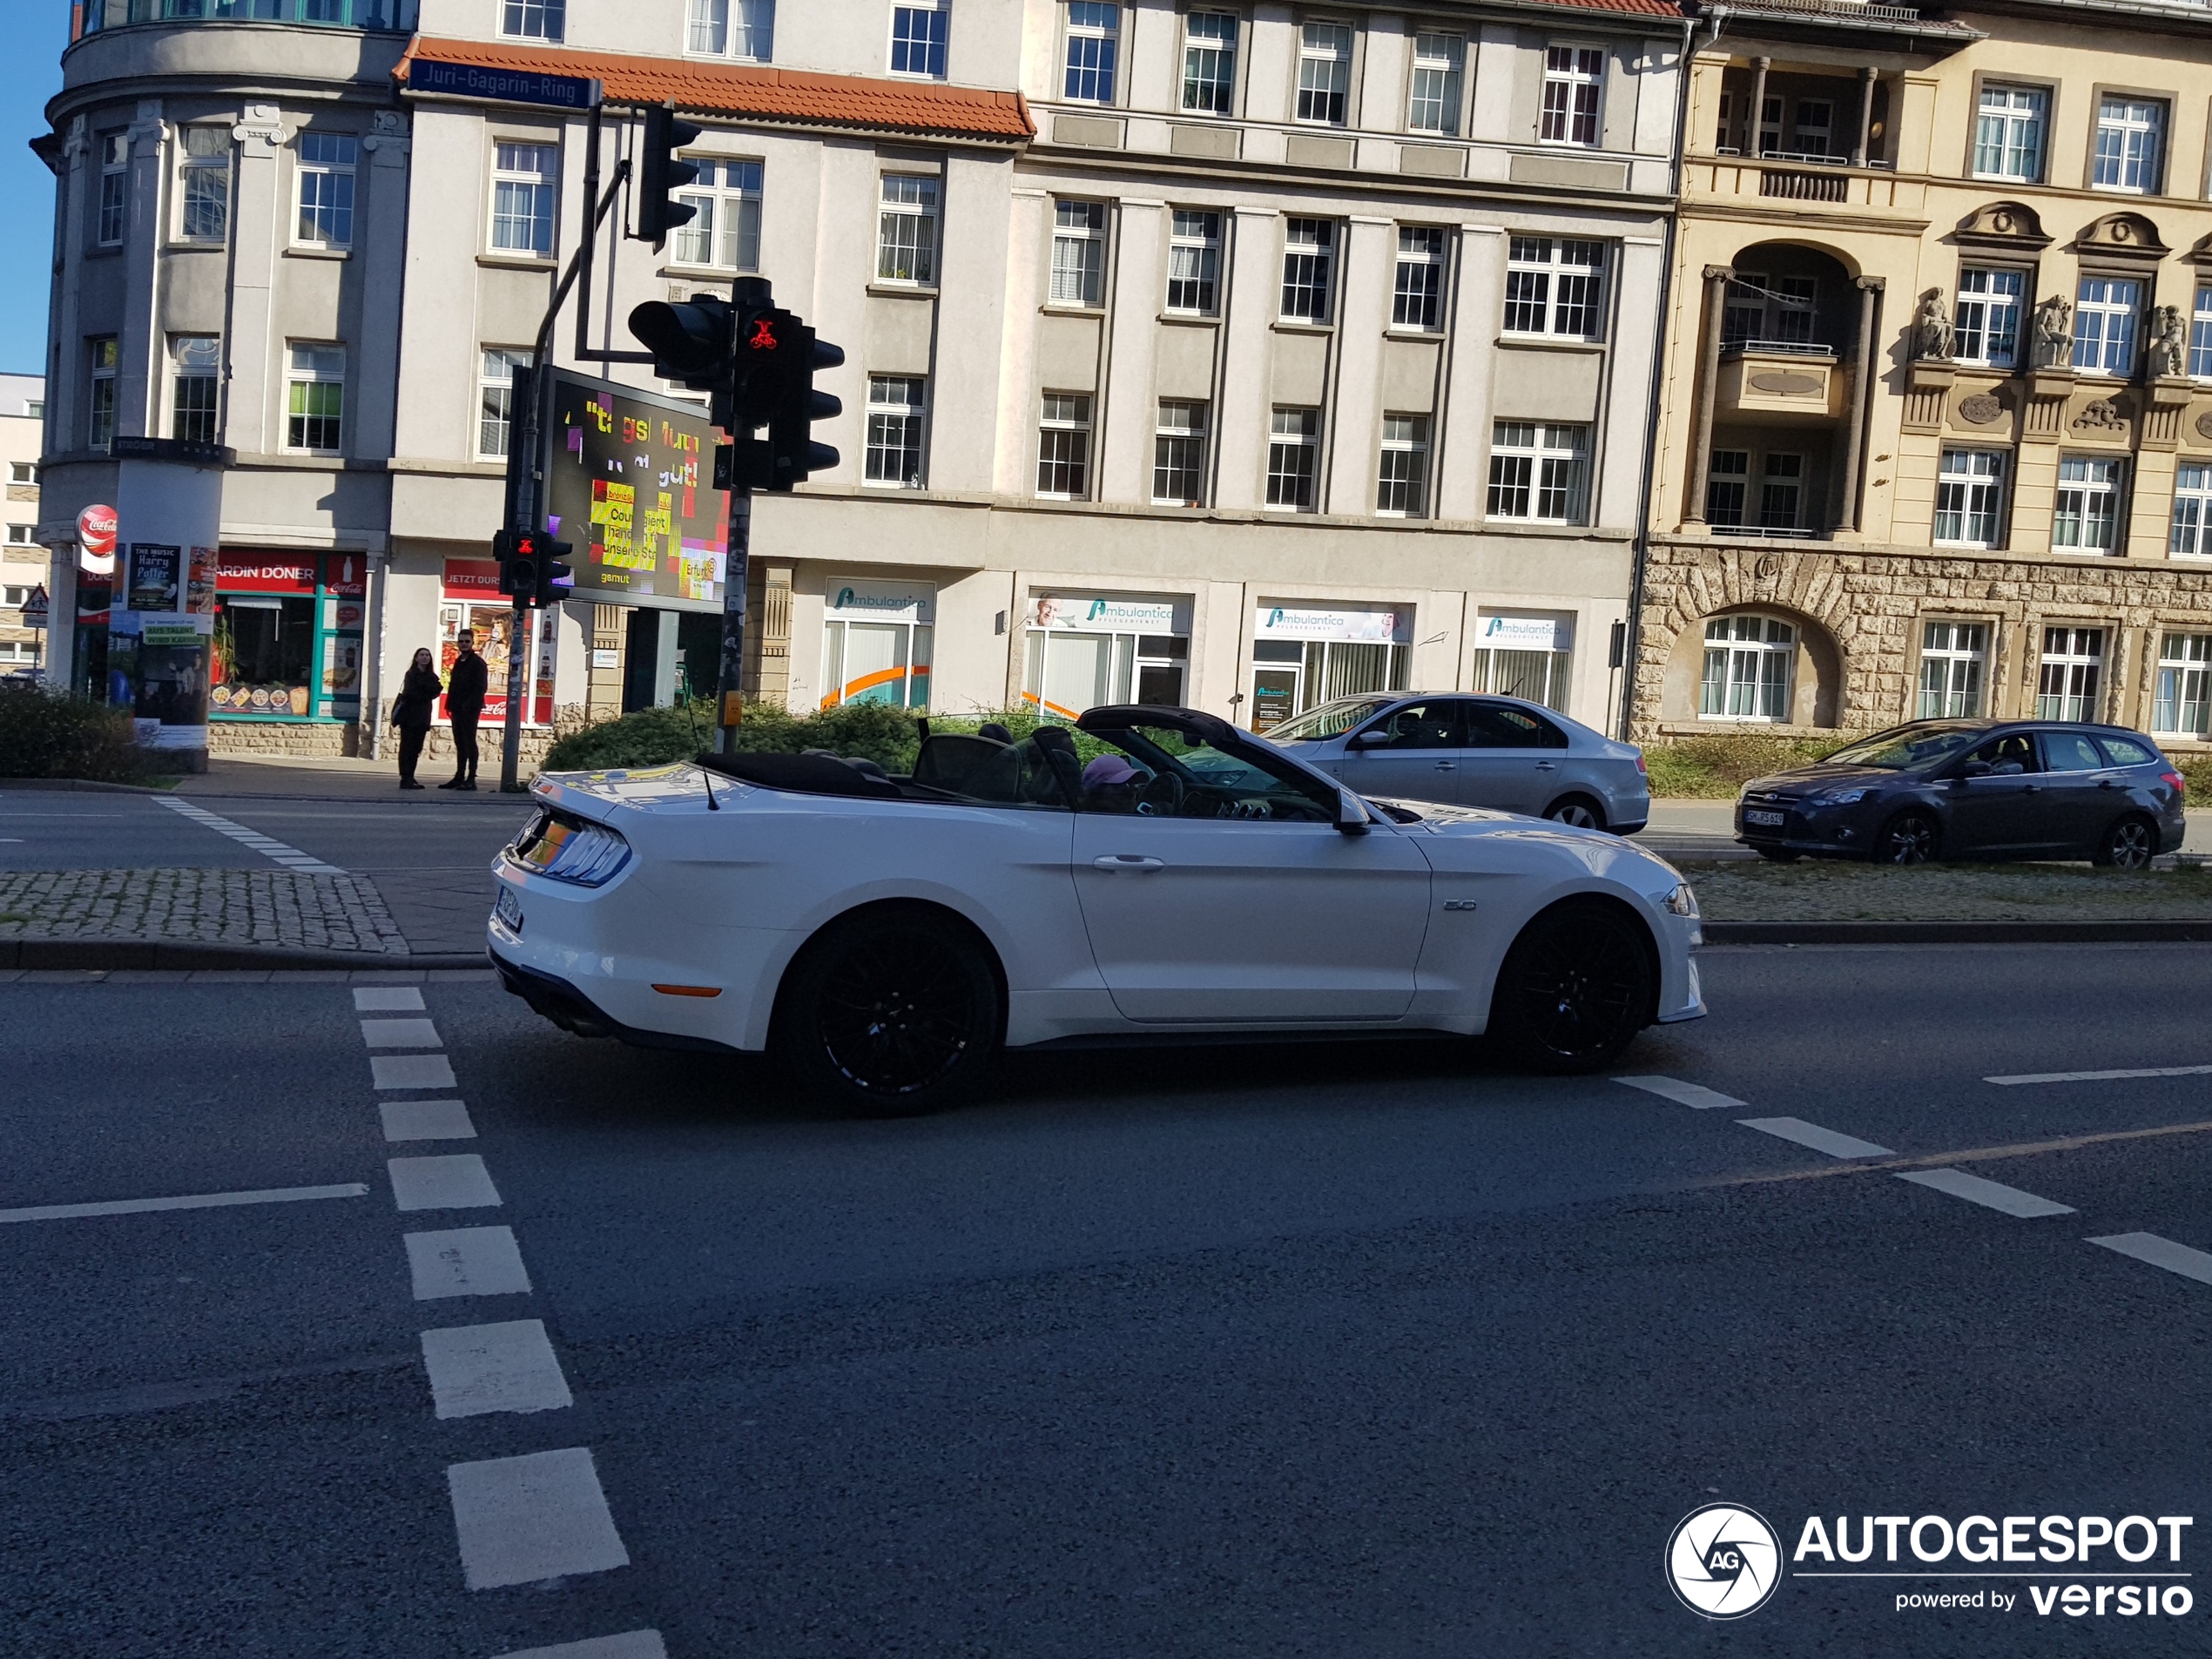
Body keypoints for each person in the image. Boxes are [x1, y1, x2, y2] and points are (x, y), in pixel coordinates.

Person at [442, 630, 489, 790]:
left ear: (472, 643)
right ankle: (459, 776)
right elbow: (453, 685)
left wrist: (468, 705)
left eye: (467, 641)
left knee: (469, 742)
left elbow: (480, 687)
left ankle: (471, 778)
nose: (463, 644)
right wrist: (449, 705)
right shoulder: (458, 661)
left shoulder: (478, 663)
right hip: (456, 708)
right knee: (460, 743)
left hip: (470, 709)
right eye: (461, 641)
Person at [392, 647, 442, 790]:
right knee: (407, 747)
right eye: (422, 655)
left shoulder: (431, 676)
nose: (425, 657)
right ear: (416, 658)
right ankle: (405, 777)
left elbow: (437, 689)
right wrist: (427, 692)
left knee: (416, 748)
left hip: (423, 717)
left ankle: (411, 776)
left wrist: (426, 691)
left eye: (427, 655)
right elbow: (412, 693)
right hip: (409, 717)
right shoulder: (411, 674)